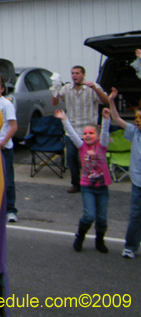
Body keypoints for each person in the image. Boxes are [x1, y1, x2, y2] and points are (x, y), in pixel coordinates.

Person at [54, 106, 112, 253]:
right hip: (87, 187)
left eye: (91, 133)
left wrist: (106, 119)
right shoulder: (82, 146)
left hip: (102, 188)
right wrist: (64, 120)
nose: (87, 135)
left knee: (102, 218)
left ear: (98, 136)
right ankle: (80, 236)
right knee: (89, 215)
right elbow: (73, 134)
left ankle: (100, 240)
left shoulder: (102, 146)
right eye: (85, 133)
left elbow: (105, 133)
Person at [51, 66, 109, 193]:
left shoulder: (92, 87)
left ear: (83, 75)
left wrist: (95, 88)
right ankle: (76, 184)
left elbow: (105, 100)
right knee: (71, 157)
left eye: (77, 73)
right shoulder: (66, 88)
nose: (74, 75)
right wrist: (55, 89)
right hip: (72, 131)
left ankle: (91, 182)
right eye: (72, 73)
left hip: (88, 131)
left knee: (90, 158)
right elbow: (54, 103)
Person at [103, 88, 141, 258]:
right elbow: (117, 118)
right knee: (135, 214)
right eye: (136, 118)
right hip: (138, 182)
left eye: (140, 119)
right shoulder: (134, 132)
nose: (138, 121)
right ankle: (130, 246)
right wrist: (111, 100)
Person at [0, 78, 18, 223]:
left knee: (8, 180)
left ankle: (10, 210)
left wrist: (3, 142)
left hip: (4, 148)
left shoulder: (6, 104)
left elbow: (13, 126)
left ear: (2, 89)